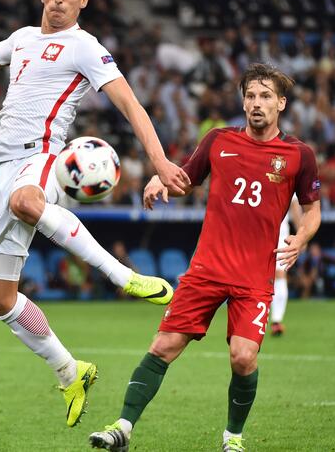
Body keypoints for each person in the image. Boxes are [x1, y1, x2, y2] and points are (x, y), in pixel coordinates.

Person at [0, 0, 190, 428]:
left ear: (84, 0)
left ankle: (125, 276)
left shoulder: (84, 47)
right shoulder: (21, 38)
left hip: (46, 157)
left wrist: (160, 161)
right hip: (3, 165)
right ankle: (70, 371)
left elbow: (131, 105)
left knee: (26, 200)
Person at [89, 63, 322, 452]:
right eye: (250, 96)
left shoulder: (298, 155)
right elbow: (185, 180)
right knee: (163, 346)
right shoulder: (218, 140)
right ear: (242, 101)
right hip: (207, 269)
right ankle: (122, 428)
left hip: (253, 276)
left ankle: (232, 439)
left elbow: (313, 209)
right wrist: (160, 178)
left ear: (281, 103)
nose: (256, 104)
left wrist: (301, 237)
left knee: (243, 357)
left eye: (266, 96)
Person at [270, 195, 303, 336]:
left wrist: (302, 236)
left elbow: (295, 208)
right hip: (255, 233)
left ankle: (276, 320)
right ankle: (259, 316)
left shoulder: (287, 175)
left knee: (279, 274)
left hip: (279, 234)